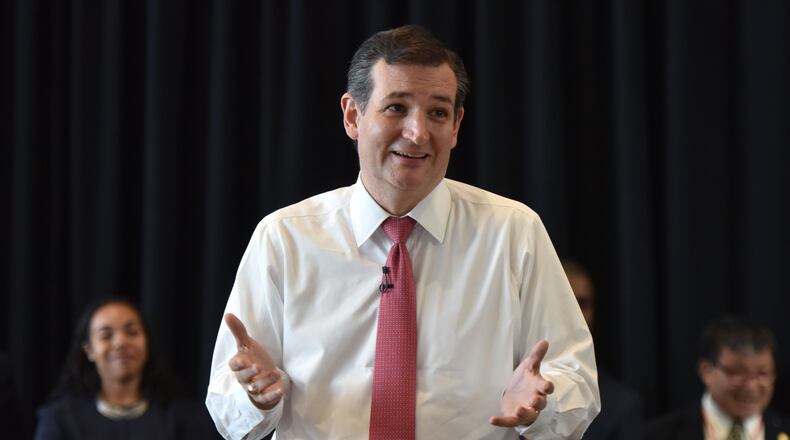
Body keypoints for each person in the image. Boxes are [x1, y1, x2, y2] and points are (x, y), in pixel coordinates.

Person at [206, 25, 599, 440]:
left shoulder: (513, 232)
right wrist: (256, 397)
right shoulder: (285, 239)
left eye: (437, 112)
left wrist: (544, 405)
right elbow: (227, 407)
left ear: (456, 125)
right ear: (353, 115)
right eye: (396, 107)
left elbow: (577, 381)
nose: (417, 133)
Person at [35, 298, 219, 439]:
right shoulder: (59, 419)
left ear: (146, 343)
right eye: (106, 335)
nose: (121, 342)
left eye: (132, 332)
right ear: (89, 350)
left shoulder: (183, 418)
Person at [647, 316, 790, 440]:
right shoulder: (657, 435)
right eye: (737, 373)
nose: (750, 386)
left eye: (762, 374)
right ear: (706, 371)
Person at [562, 259, 644, 439]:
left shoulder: (621, 406)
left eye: (583, 304)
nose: (575, 313)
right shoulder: (501, 389)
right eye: (566, 301)